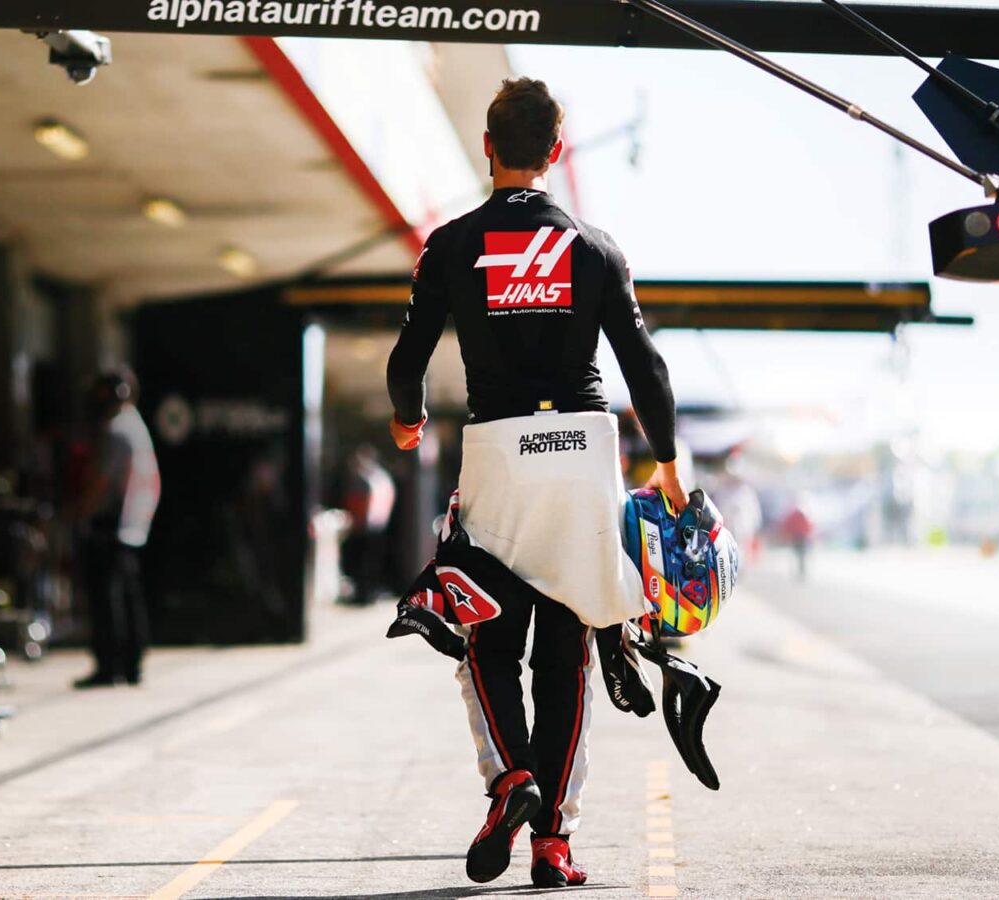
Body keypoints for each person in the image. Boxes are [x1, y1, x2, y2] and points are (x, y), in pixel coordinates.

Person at [386, 78, 685, 889]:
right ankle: (554, 839)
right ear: (556, 152)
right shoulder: (595, 245)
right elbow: (644, 367)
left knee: (485, 633)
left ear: (488, 148)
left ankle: (510, 779)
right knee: (568, 651)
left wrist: (406, 417)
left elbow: (408, 357)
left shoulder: (451, 245)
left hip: (500, 452)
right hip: (584, 455)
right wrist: (666, 461)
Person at [74, 369, 161, 688]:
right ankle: (130, 662)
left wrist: (82, 509)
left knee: (107, 597)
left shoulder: (117, 429)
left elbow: (103, 479)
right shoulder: (135, 424)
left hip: (112, 521)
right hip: (132, 522)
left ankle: (111, 664)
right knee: (126, 593)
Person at [340, 445, 397, 605]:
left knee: (366, 563)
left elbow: (364, 502)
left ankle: (365, 593)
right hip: (378, 524)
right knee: (371, 562)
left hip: (368, 525)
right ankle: (367, 592)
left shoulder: (368, 479)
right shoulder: (381, 478)